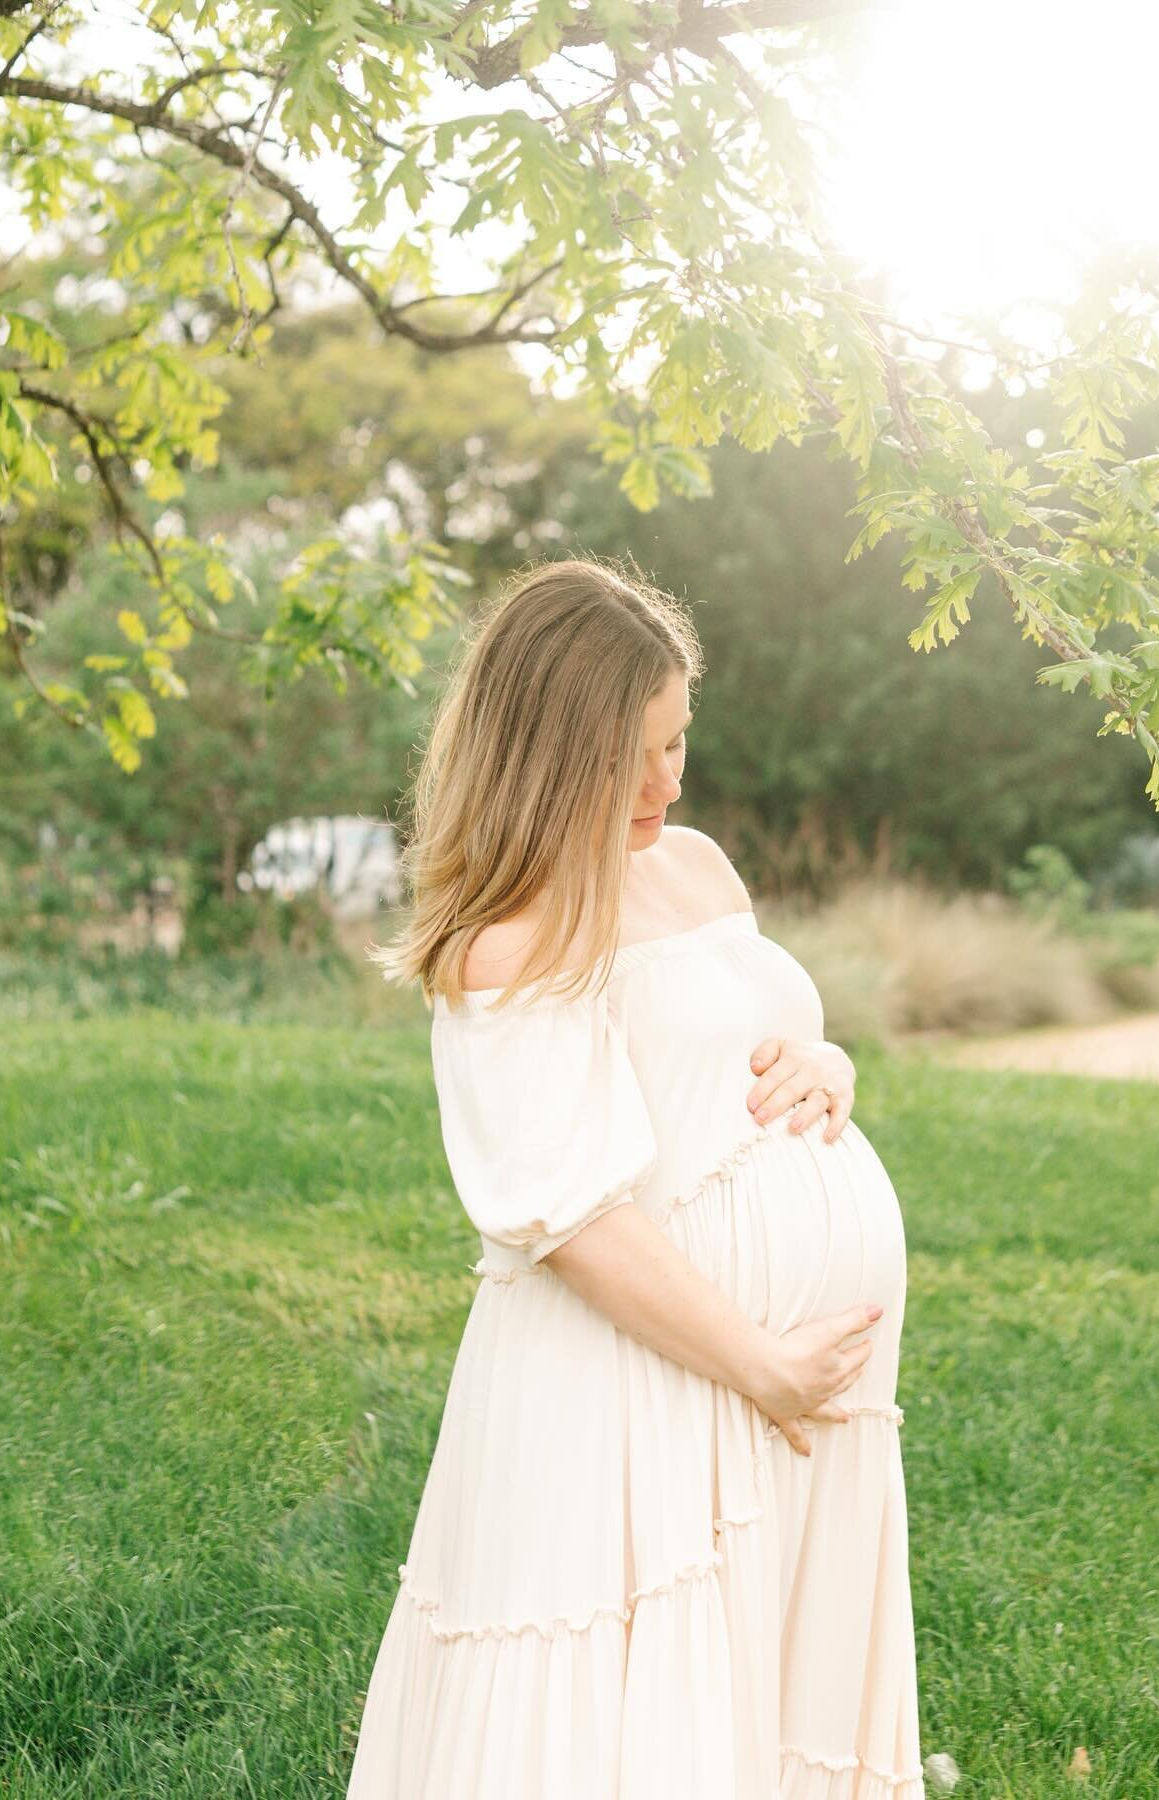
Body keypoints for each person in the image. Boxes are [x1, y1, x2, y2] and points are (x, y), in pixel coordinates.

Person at [346, 556, 924, 1799]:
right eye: (634, 756)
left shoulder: (698, 864)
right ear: (549, 755)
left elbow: (733, 1045)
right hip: (637, 1392)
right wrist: (762, 1364)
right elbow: (573, 1221)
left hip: (786, 1395)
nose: (670, 780)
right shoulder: (510, 940)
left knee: (767, 1695)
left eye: (680, 741)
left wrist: (829, 1066)